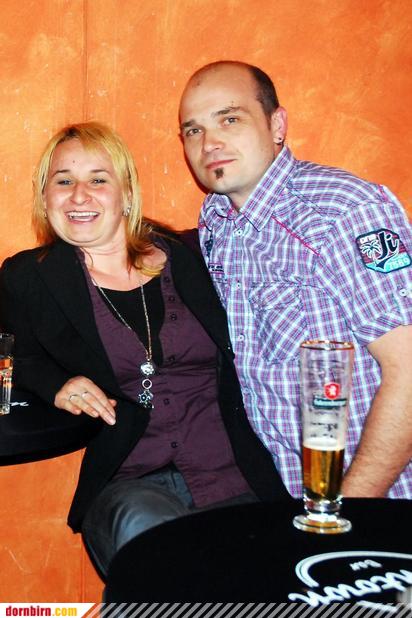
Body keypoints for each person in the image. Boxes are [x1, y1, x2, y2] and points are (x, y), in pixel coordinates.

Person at [0, 122, 289, 579]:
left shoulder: (193, 255)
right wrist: (55, 383)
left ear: (126, 193)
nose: (79, 195)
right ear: (45, 196)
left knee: (258, 579)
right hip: (131, 483)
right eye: (63, 181)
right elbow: (8, 351)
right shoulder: (30, 277)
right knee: (157, 551)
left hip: (236, 472)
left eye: (98, 179)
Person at [179, 60, 412, 500]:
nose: (209, 143)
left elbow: (409, 371)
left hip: (380, 502)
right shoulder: (216, 219)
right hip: (285, 497)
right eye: (194, 130)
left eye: (230, 119)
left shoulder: (345, 210)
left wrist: (346, 508)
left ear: (277, 125)